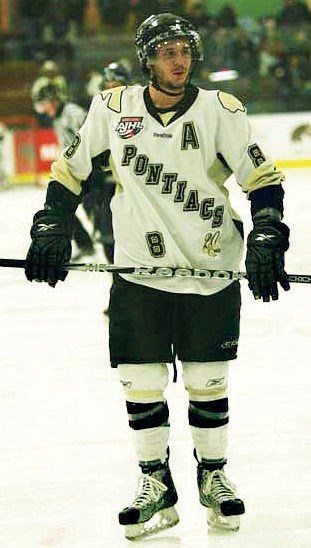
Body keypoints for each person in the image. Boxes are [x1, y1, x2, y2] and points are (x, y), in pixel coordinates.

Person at [24, 12, 291, 540]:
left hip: (210, 271)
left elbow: (263, 180)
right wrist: (51, 225)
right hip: (137, 273)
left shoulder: (220, 110)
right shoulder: (111, 107)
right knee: (141, 384)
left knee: (206, 383)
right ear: (148, 59)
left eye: (185, 50)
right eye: (167, 51)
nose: (179, 60)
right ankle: (156, 486)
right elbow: (70, 172)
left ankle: (213, 477)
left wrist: (266, 235)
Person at [32, 82, 95, 259]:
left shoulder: (72, 113)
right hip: (75, 173)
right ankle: (86, 245)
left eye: (44, 103)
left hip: (88, 172)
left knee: (95, 211)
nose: (43, 109)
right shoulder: (58, 118)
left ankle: (104, 241)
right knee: (62, 211)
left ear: (54, 100)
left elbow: (91, 135)